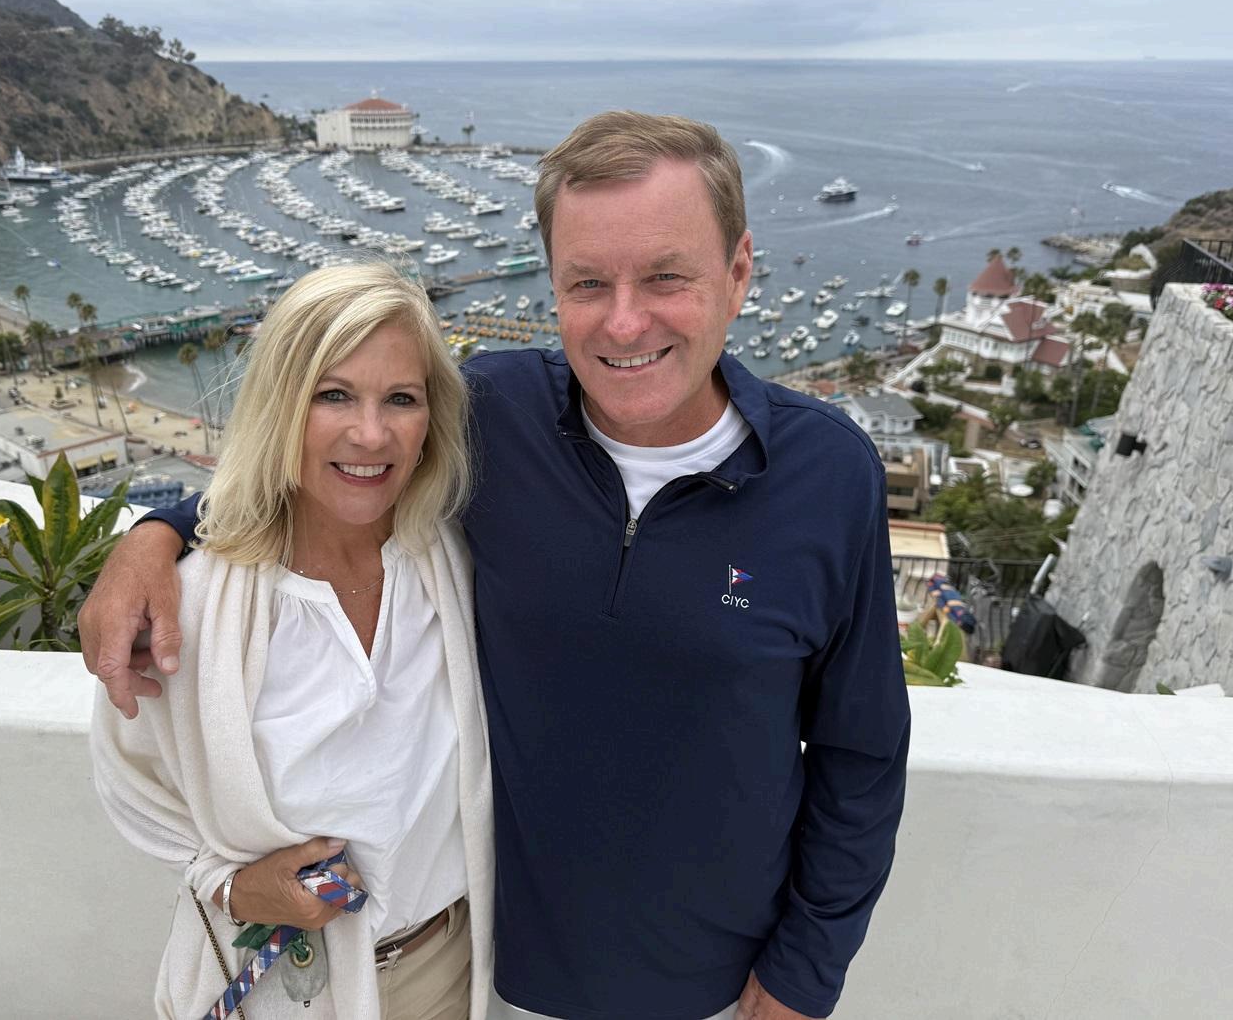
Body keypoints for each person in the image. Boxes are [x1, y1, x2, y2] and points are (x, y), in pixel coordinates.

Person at [84, 111, 911, 1020]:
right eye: (587, 282)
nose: (624, 320)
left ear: (739, 272)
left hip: (718, 993)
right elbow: (331, 469)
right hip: (497, 980)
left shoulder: (828, 475)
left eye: (665, 277)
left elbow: (862, 754)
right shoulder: (497, 418)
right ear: (553, 285)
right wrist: (154, 536)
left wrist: (806, 973)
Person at [90, 261, 493, 1020]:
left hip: (448, 970)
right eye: (333, 394)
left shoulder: (459, 560)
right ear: (282, 404)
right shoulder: (197, 609)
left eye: (401, 398)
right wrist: (234, 886)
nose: (370, 433)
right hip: (283, 988)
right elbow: (131, 779)